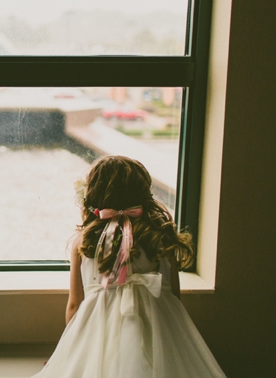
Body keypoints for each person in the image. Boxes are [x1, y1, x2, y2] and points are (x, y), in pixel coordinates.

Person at [33, 156, 225, 377]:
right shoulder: (161, 237)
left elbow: (75, 306)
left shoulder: (83, 241)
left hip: (98, 337)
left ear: (94, 193)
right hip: (158, 333)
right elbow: (174, 298)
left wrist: (67, 354)